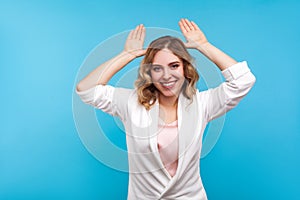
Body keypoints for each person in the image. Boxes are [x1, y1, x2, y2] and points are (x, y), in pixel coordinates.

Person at [76, 18, 256, 200]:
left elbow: (243, 80)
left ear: (185, 68)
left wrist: (203, 45)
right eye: (157, 68)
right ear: (149, 72)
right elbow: (86, 89)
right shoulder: (131, 102)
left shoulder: (202, 104)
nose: (166, 76)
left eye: (174, 66)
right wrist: (127, 54)